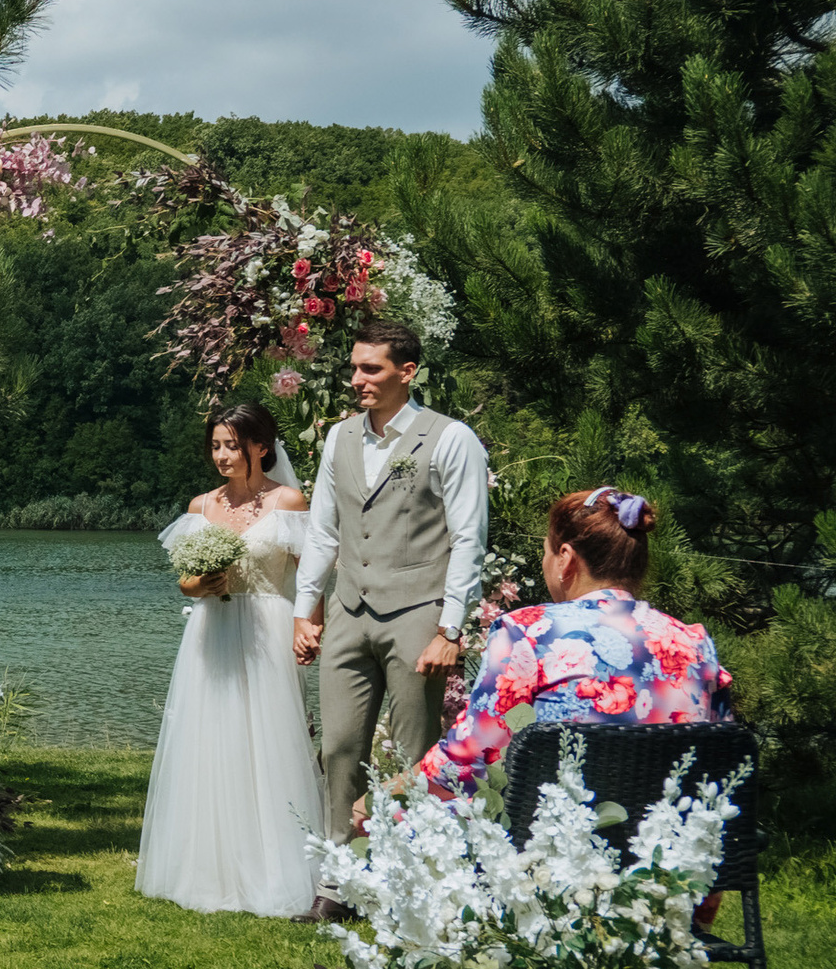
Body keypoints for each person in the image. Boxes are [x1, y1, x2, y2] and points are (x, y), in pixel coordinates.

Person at [292, 322, 489, 921]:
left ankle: (408, 886)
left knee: (412, 756)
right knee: (340, 748)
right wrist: (307, 608)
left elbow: (468, 537)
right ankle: (336, 885)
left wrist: (450, 629)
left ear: (407, 372)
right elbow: (324, 529)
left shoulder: (451, 440)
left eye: (371, 369)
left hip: (417, 614)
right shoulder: (339, 439)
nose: (357, 380)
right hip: (350, 611)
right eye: (354, 368)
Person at [416, 487, 732, 796]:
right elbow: (720, 759)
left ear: (565, 558)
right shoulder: (696, 643)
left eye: (545, 552)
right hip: (671, 840)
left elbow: (465, 763)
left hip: (556, 838)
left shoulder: (528, 631)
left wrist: (374, 804)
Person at [136, 404, 321, 916]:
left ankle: (274, 868)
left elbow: (312, 575)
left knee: (269, 741)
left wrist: (310, 624)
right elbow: (184, 581)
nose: (222, 455)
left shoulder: (289, 501)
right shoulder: (200, 507)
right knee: (211, 738)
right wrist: (203, 582)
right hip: (211, 628)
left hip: (267, 625)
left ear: (261, 447)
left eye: (233, 445)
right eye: (216, 445)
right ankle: (208, 866)